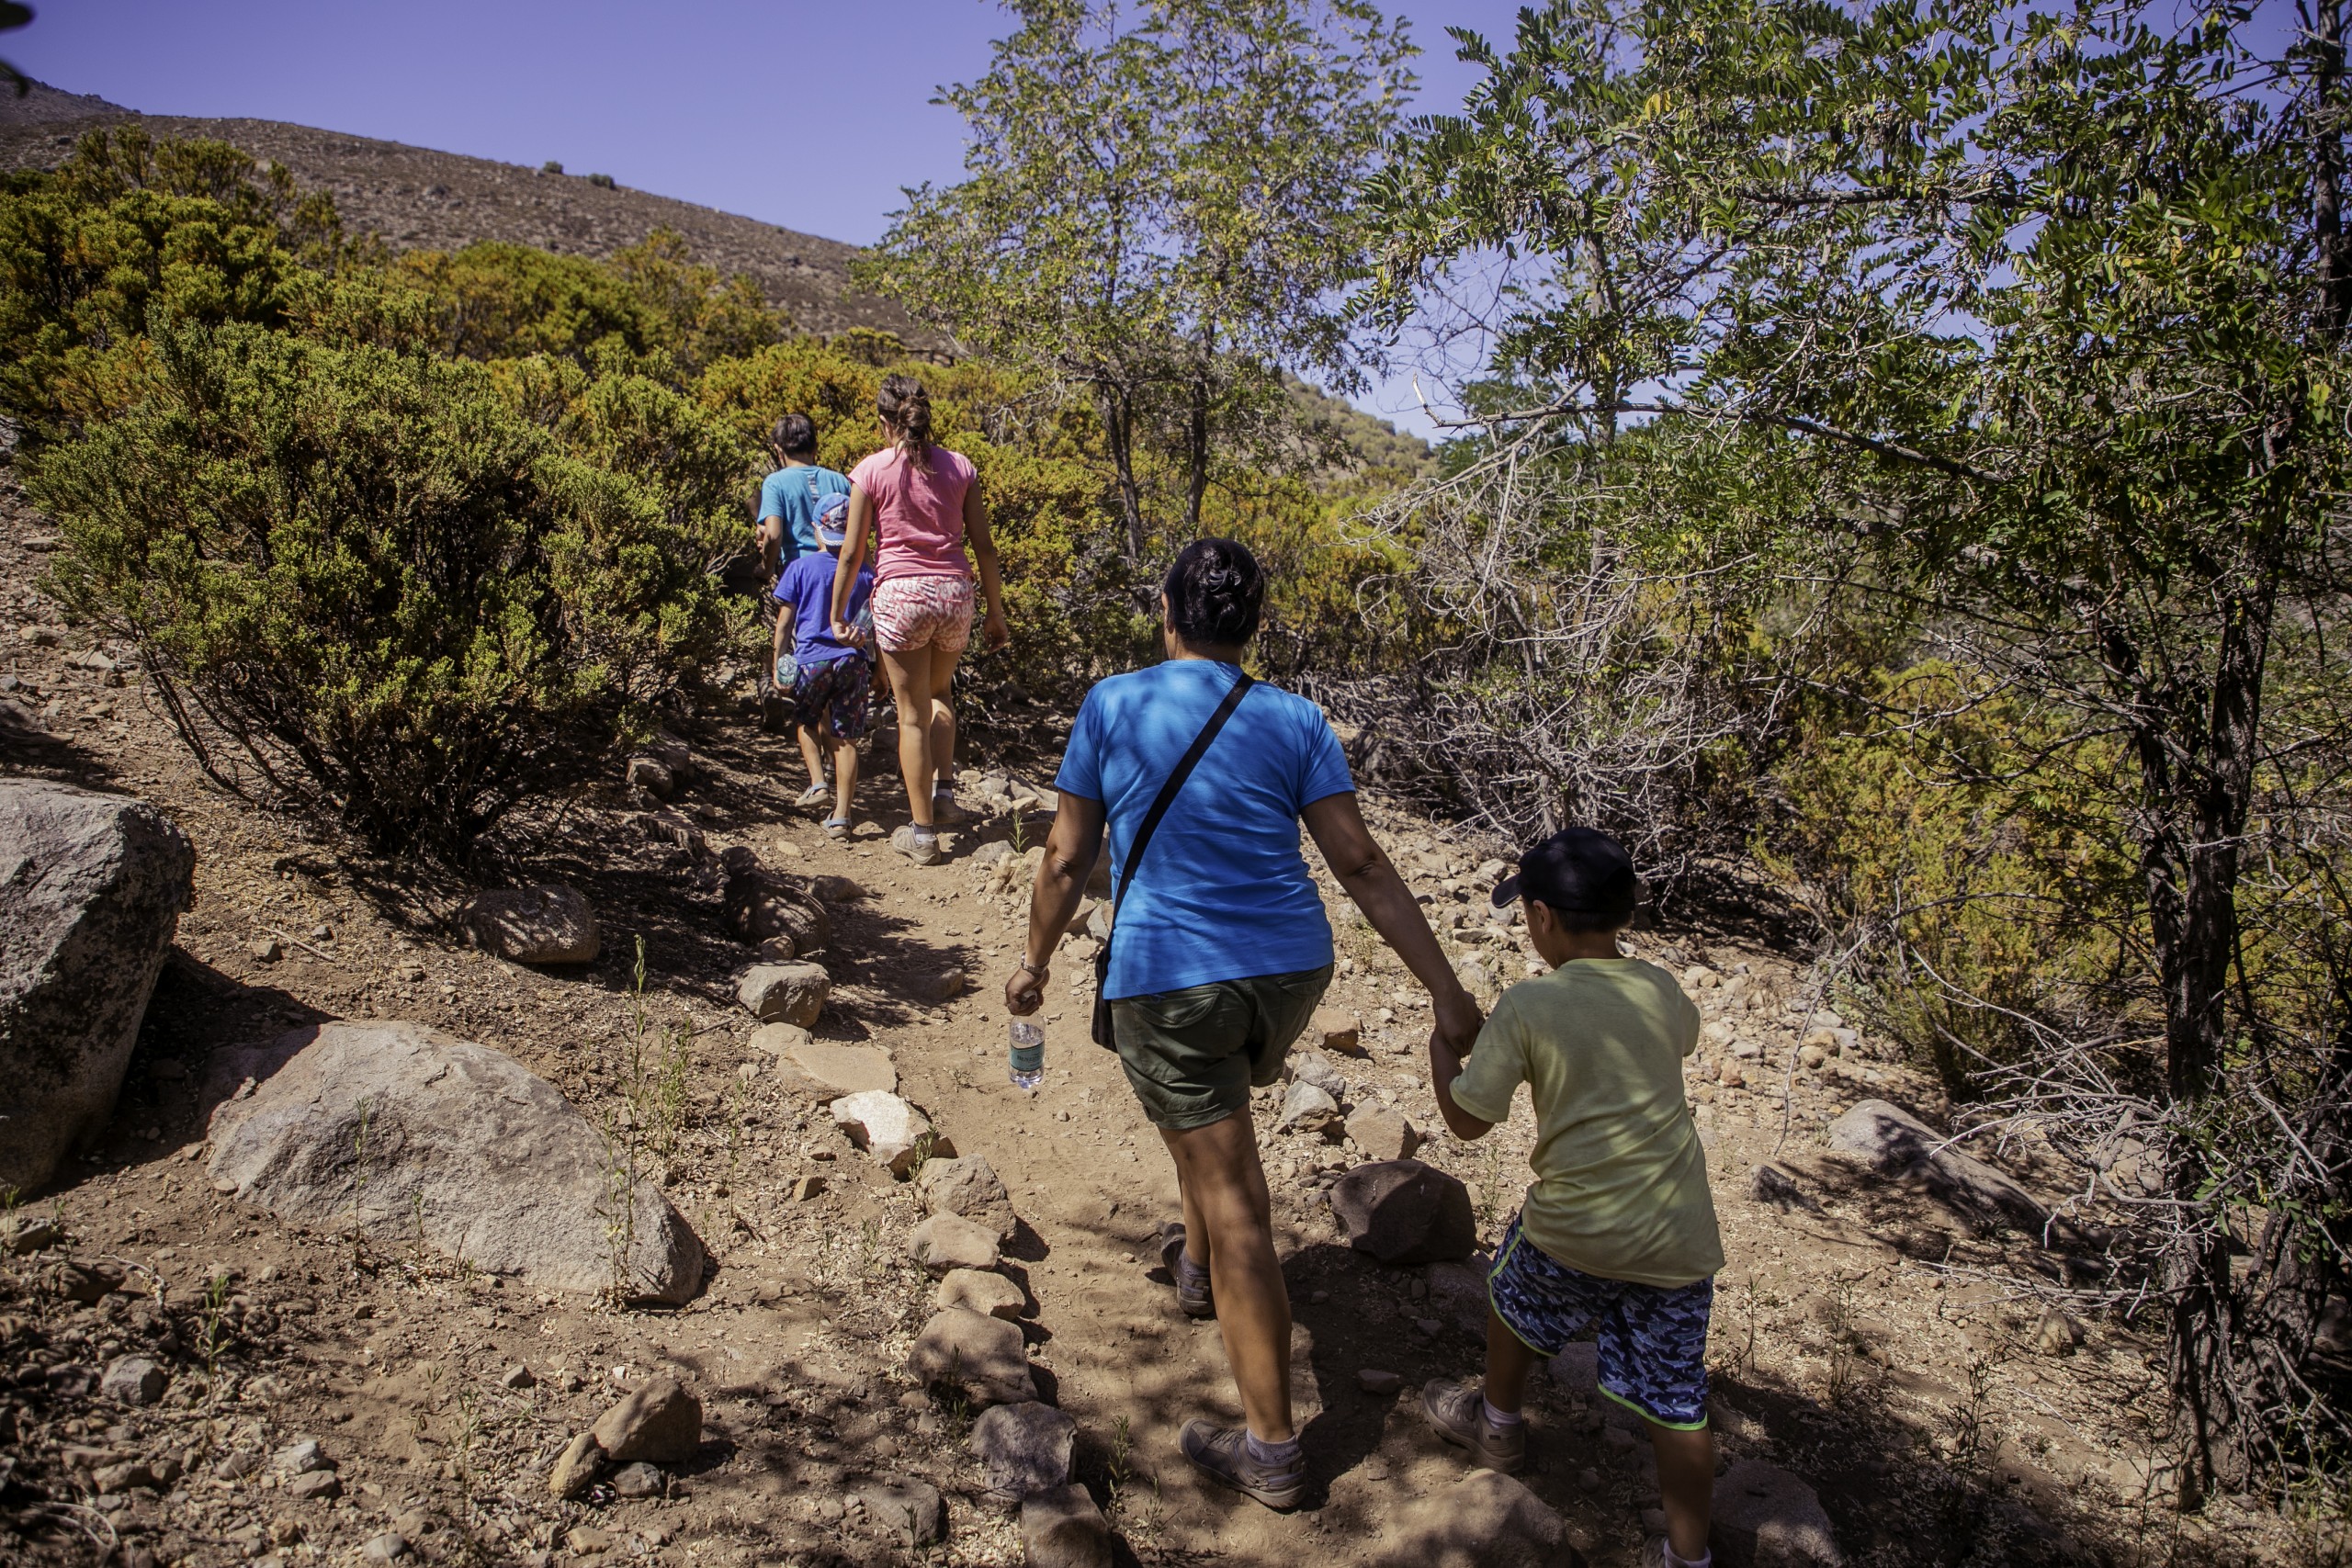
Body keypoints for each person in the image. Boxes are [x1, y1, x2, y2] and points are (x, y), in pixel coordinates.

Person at [1002, 537, 1481, 1512]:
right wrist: (1443, 987)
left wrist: (1035, 962)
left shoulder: (1113, 704)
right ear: (1253, 625)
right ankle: (1194, 1267)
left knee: (1237, 1197)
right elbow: (1360, 864)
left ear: (1167, 610)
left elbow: (1063, 858)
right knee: (1209, 1114)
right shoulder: (1295, 717)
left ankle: (1270, 1448)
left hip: (1172, 978)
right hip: (1289, 972)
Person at [1422, 827, 1721, 1568]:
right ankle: (1688, 1556)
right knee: (1680, 1405)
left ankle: (1497, 1422)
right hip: (1676, 1237)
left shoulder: (1528, 1006)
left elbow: (1467, 1122)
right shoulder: (1658, 986)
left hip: (1574, 1229)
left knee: (1512, 1293)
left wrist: (1441, 1055)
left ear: (1543, 917)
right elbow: (1682, 1040)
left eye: (1527, 911)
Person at [831, 374, 1009, 865]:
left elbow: (851, 553)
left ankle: (922, 833)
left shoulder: (870, 471)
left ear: (885, 423)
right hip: (955, 595)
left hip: (901, 597)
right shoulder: (961, 467)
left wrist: (837, 610)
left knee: (910, 716)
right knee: (939, 694)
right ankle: (945, 793)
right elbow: (985, 548)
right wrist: (995, 612)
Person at [770, 491, 873, 838]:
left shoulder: (799, 568)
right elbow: (869, 625)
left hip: (811, 661)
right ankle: (842, 817)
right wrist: (881, 672)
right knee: (846, 740)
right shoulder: (865, 574)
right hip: (852, 662)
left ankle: (817, 783)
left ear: (817, 529)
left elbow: (784, 625)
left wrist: (779, 663)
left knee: (806, 720)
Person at [755, 412, 851, 579]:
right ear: (815, 447)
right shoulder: (839, 480)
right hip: (841, 571)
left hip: (799, 572)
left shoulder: (775, 482)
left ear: (779, 450)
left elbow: (773, 534)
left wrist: (766, 568)